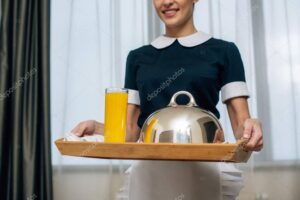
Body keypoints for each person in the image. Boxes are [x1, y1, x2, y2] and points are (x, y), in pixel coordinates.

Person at [71, 0, 263, 199]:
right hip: (150, 174)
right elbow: (129, 134)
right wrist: (98, 128)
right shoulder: (138, 57)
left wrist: (253, 125)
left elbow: (242, 126)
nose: (167, 2)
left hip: (204, 171)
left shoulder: (224, 51)